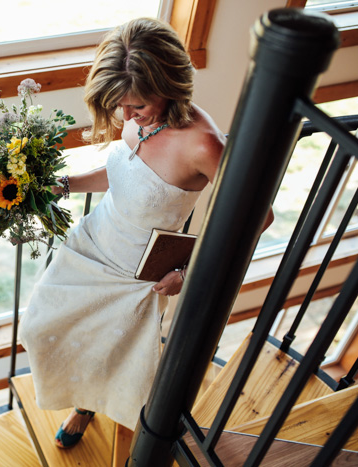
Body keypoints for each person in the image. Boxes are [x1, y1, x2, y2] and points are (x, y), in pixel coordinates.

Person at [18, 17, 273, 449]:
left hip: (137, 270)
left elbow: (257, 218)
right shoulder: (136, 116)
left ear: (170, 83)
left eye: (136, 106)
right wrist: (66, 184)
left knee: (108, 353)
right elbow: (126, 173)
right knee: (39, 327)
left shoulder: (202, 145)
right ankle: (82, 399)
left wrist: (188, 270)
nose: (126, 116)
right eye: (120, 106)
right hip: (93, 241)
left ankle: (86, 409)